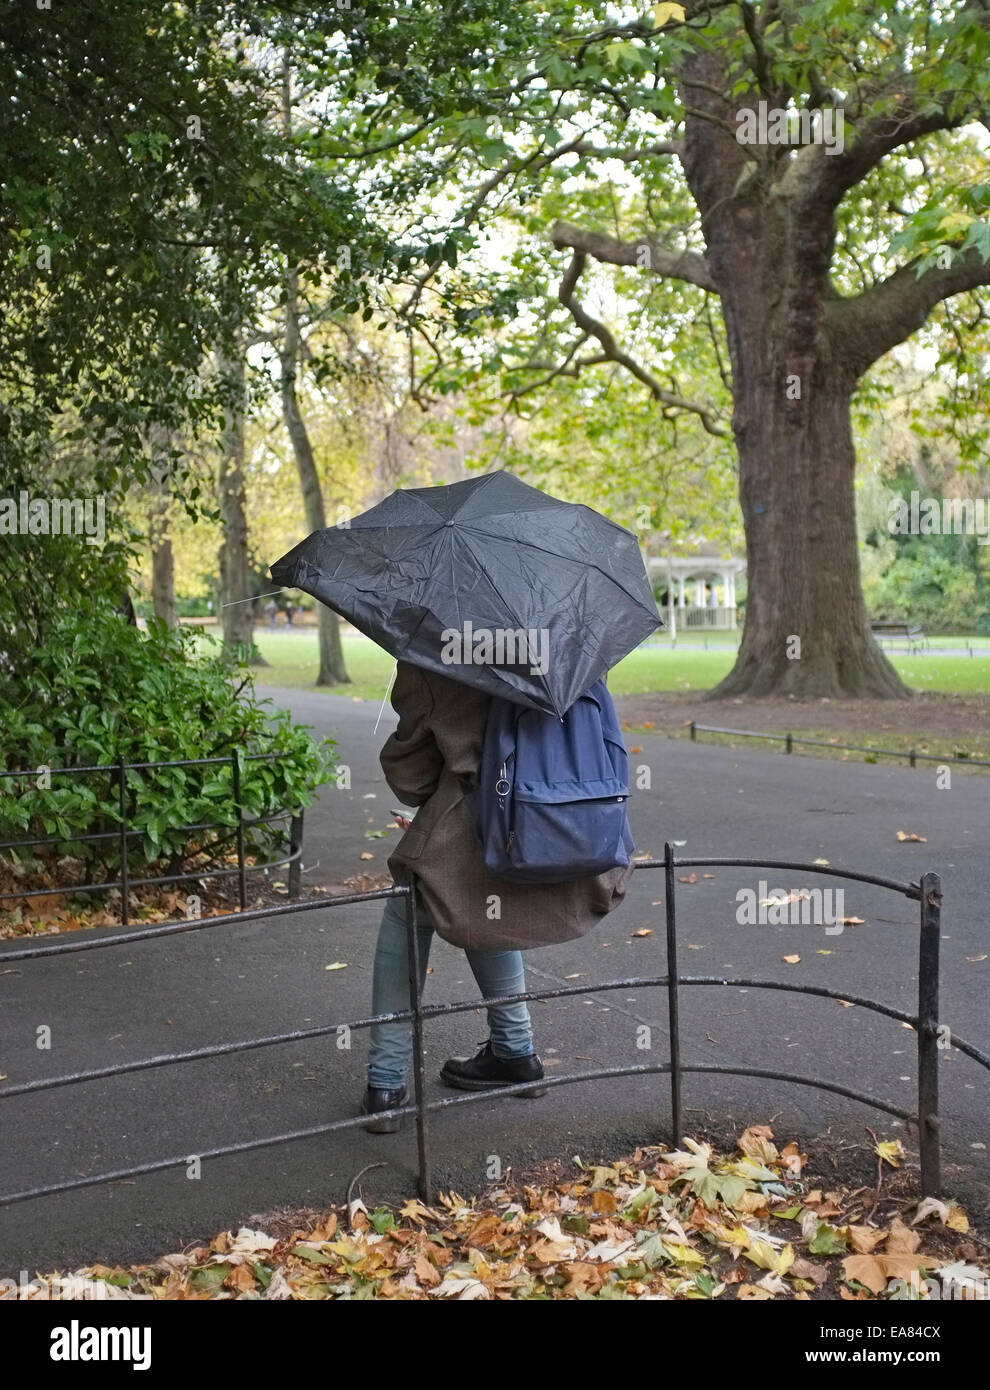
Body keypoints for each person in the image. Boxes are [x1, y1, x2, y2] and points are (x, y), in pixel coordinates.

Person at [361, 659, 634, 1132]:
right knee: (486, 899)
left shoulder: (435, 653)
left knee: (411, 900)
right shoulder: (576, 646)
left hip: (475, 837)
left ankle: (386, 1083)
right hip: (572, 827)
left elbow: (412, 781)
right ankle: (514, 1051)